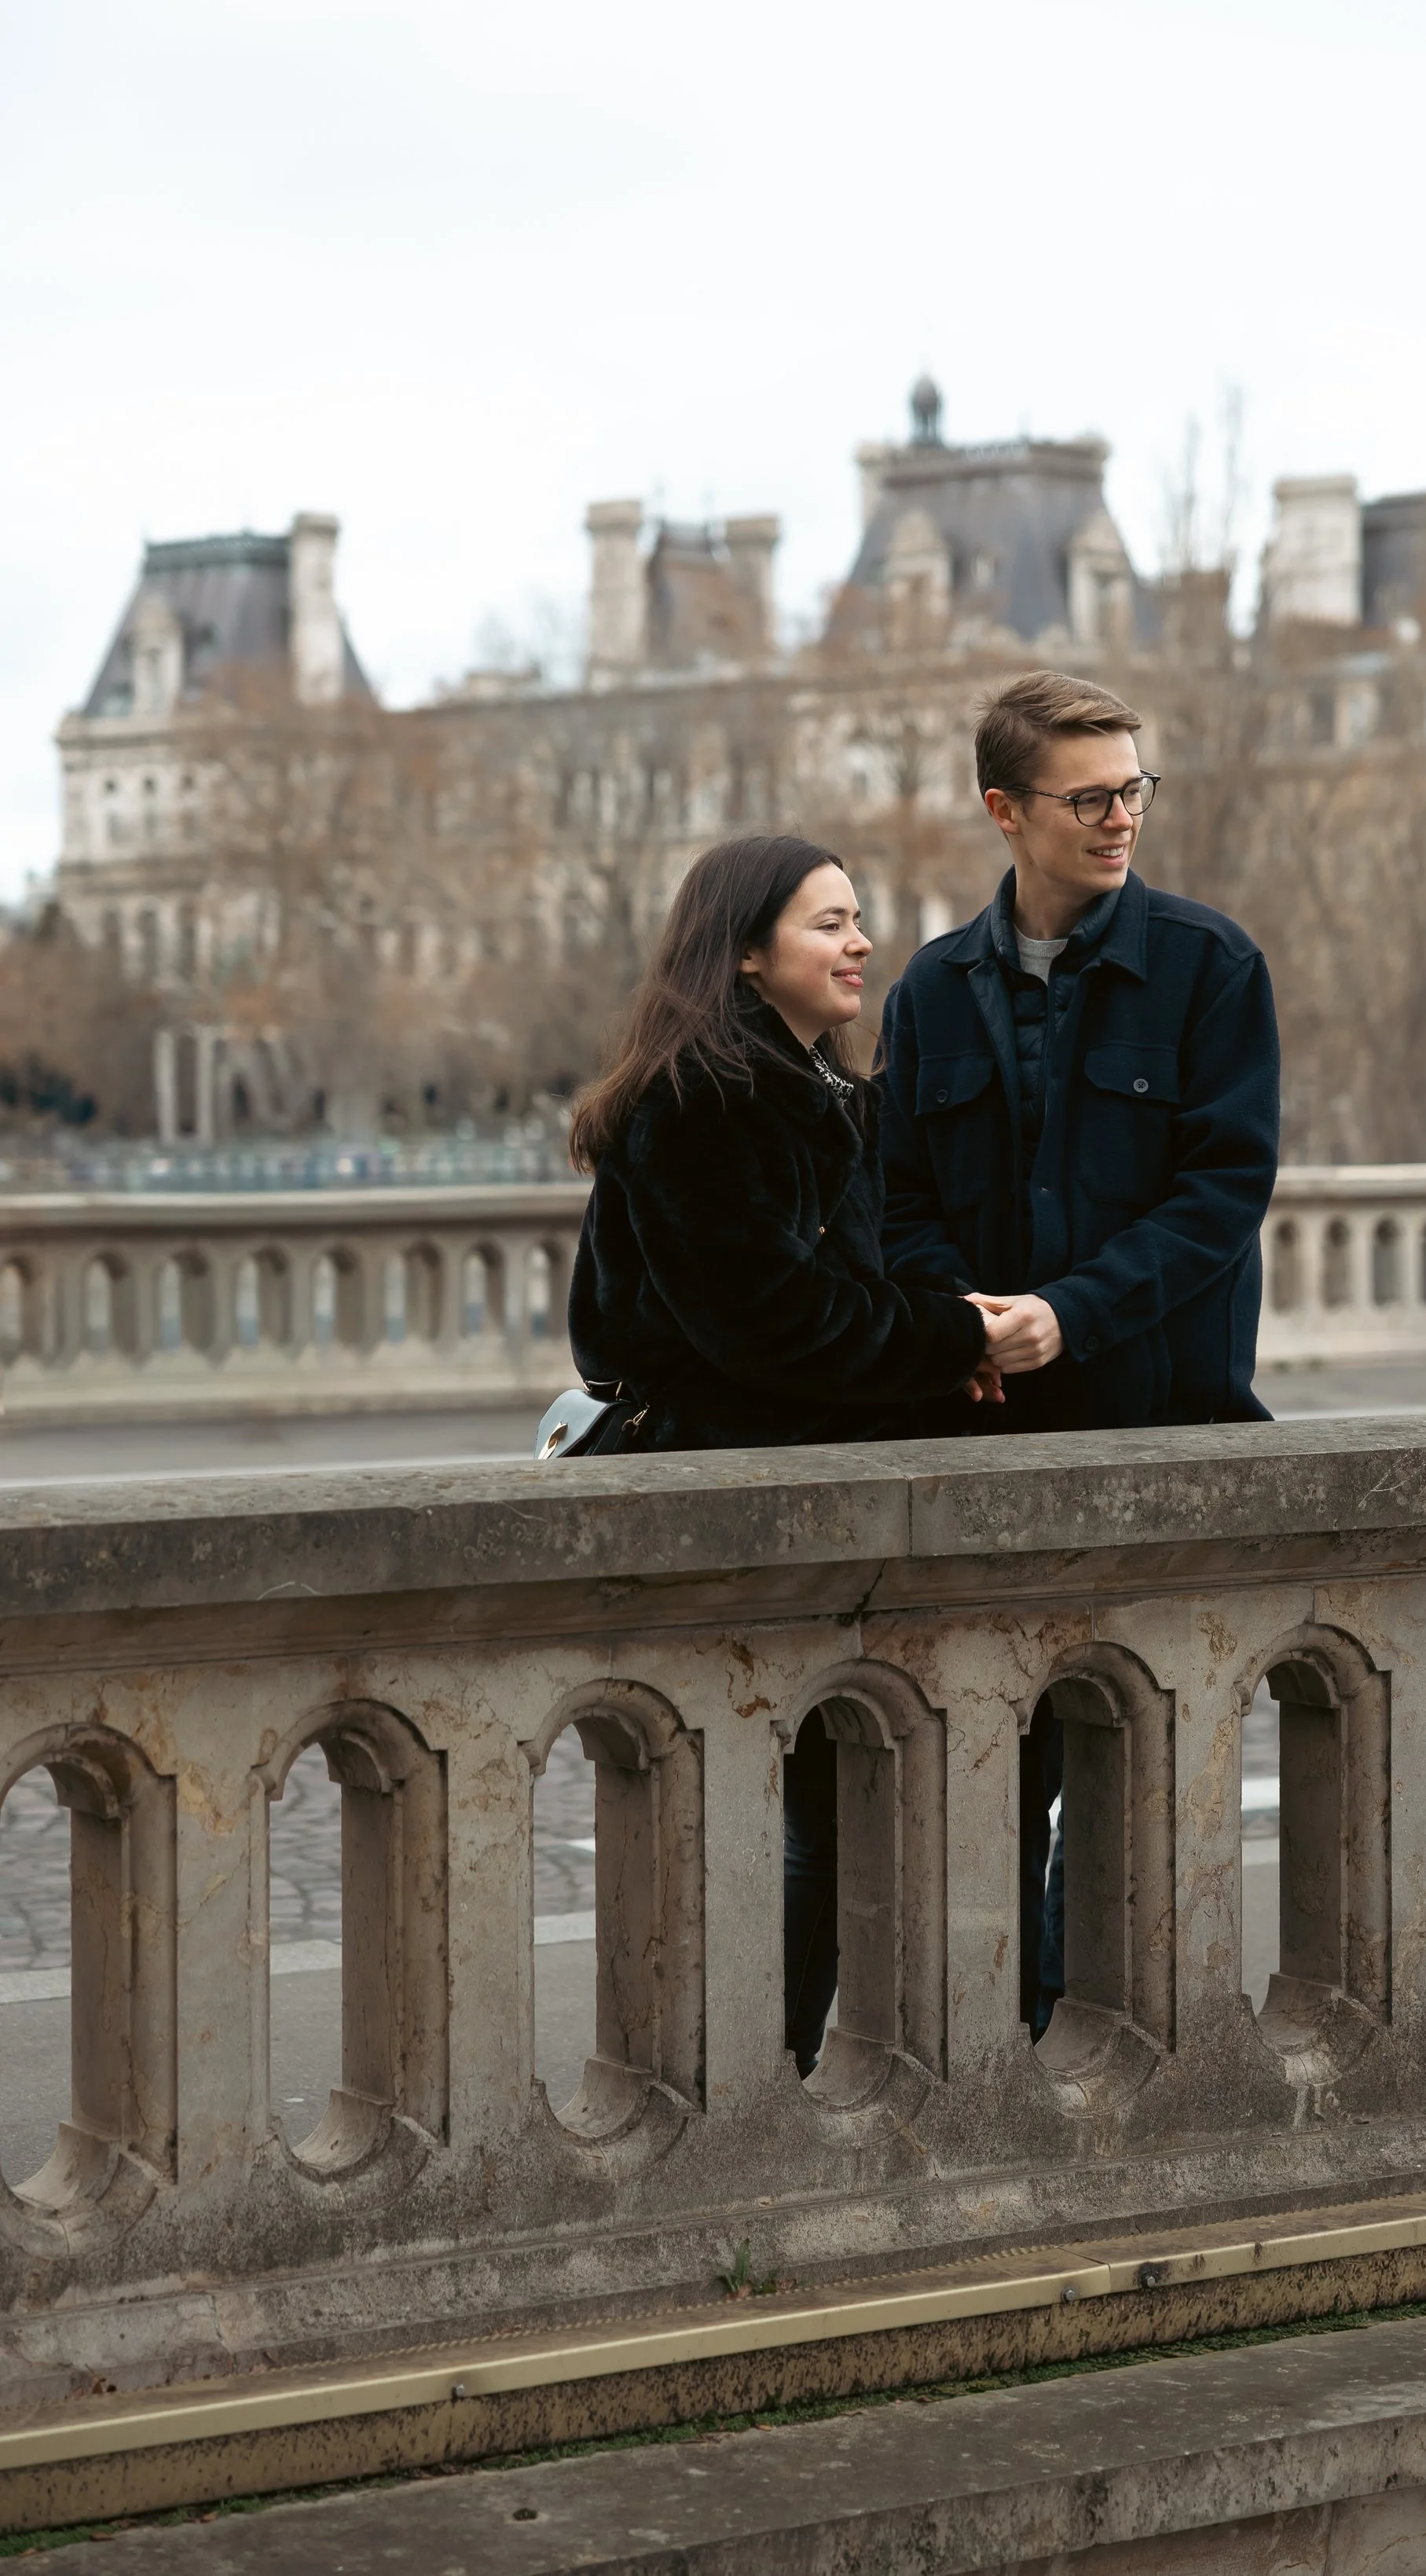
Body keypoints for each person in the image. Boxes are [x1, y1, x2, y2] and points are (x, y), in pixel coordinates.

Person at [877, 669, 1282, 2030]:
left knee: (1140, 1792)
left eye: (1135, 788)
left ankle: (1103, 2055)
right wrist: (964, 1326)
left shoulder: (1209, 966)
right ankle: (991, 2045)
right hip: (989, 1442)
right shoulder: (932, 989)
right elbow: (899, 1203)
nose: (1122, 817)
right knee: (986, 1778)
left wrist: (1073, 1314)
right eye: (1091, 795)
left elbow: (1222, 1196)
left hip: (1164, 1434)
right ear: (1006, 809)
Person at [565, 833, 1008, 2073]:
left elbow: (846, 1299)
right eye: (828, 922)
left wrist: (941, 1341)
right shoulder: (702, 1100)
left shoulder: (815, 1091)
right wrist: (953, 1337)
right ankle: (741, 2088)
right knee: (774, 1824)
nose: (861, 940)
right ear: (747, 955)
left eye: (859, 917)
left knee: (816, 1814)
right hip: (733, 1513)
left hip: (807, 1508)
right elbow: (776, 1326)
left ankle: (770, 2081)